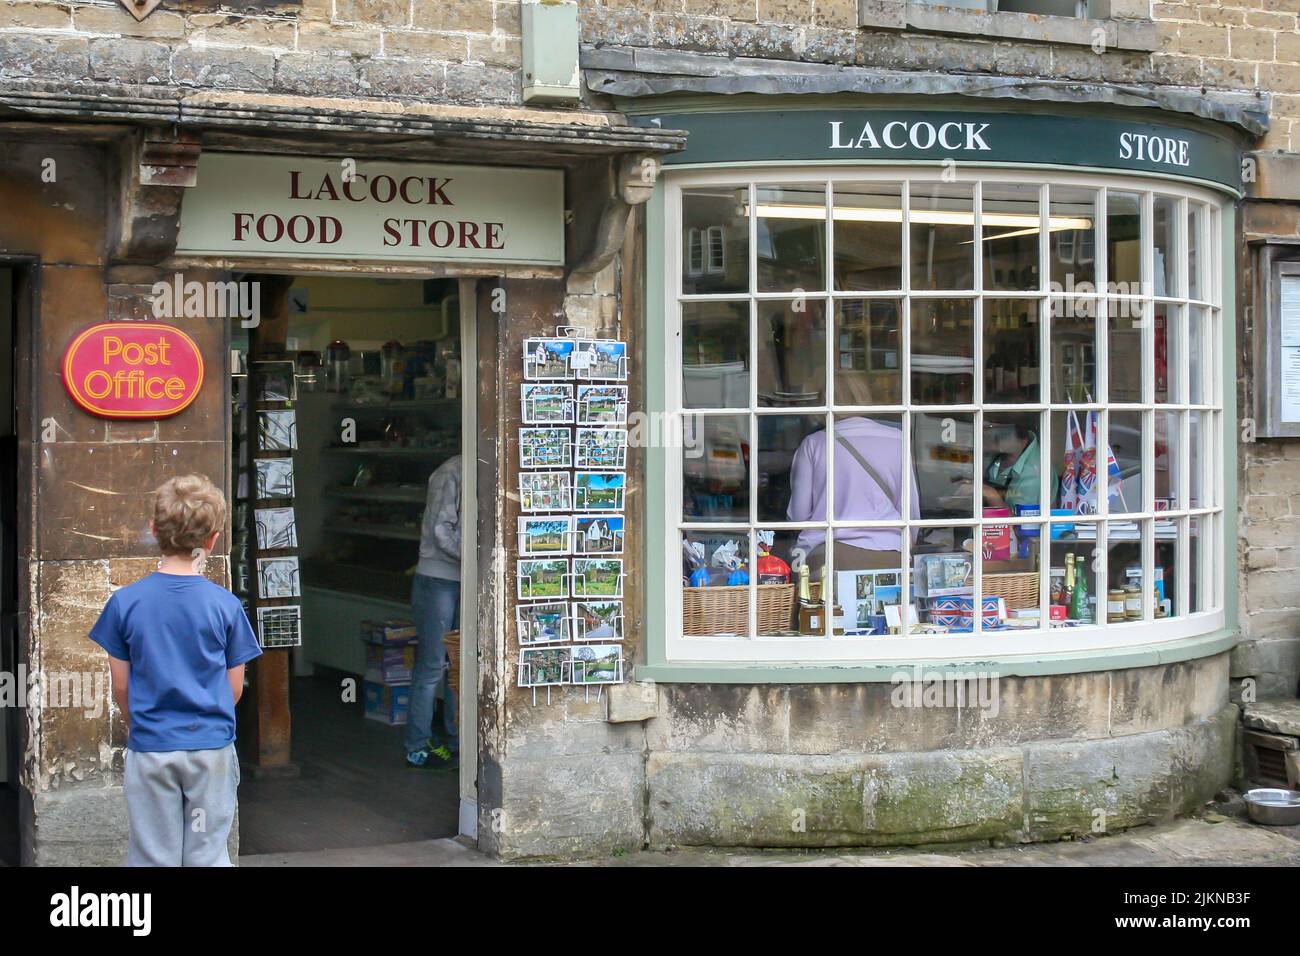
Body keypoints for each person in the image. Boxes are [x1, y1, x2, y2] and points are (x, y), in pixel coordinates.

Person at [88, 475, 262, 867]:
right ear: (213, 539)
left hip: (152, 746)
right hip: (211, 748)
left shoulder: (125, 603)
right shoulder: (226, 606)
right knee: (208, 854)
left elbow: (121, 687)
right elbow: (234, 690)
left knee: (153, 855)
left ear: (154, 531)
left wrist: (142, 723)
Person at [787, 416, 920, 574]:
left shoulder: (814, 443)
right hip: (890, 553)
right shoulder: (898, 439)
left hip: (828, 554)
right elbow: (910, 513)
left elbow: (798, 518)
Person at [407, 454, 461, 770]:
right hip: (438, 577)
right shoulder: (451, 471)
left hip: (458, 578)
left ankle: (458, 742)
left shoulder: (470, 468)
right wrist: (474, 555)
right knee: (432, 665)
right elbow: (441, 530)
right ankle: (417, 745)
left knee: (459, 665)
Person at [976, 419, 1043, 510]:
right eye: (992, 429)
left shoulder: (1034, 472)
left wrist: (990, 493)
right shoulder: (1001, 451)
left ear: (1022, 438)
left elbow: (1020, 521)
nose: (995, 437)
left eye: (1004, 434)